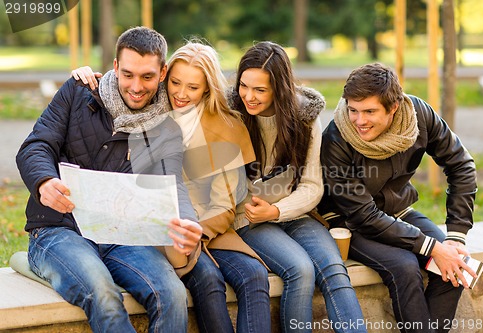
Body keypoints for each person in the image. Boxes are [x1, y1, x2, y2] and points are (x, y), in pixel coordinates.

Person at [71, 40, 271, 333]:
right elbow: (128, 78)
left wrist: (193, 231)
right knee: (208, 279)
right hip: (157, 227)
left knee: (253, 275)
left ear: (207, 88)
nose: (180, 93)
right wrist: (86, 73)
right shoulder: (148, 109)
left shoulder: (226, 126)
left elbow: (225, 207)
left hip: (207, 228)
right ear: (165, 76)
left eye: (192, 87)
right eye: (175, 82)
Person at [16, 26, 203, 333]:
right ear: (115, 67)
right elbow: (36, 145)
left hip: (122, 235)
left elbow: (173, 184)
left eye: (147, 76)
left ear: (162, 71)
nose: (136, 86)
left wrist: (188, 221)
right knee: (103, 294)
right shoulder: (78, 92)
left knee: (171, 294)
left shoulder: (166, 128)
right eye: (127, 74)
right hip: (58, 230)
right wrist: (43, 182)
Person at [318, 62, 477, 332]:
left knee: (455, 266)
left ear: (393, 107)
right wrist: (434, 247)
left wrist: (455, 236)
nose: (358, 121)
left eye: (369, 111)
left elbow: (461, 165)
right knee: (404, 268)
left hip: (397, 211)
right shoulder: (336, 138)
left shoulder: (419, 116)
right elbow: (362, 215)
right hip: (349, 222)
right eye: (353, 110)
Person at [227, 41, 367, 333]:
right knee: (300, 270)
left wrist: (277, 210)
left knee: (334, 271)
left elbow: (312, 187)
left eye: (260, 90)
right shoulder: (230, 116)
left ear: (279, 88)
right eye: (244, 86)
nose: (249, 96)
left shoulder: (304, 119)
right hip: (249, 218)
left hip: (293, 213)